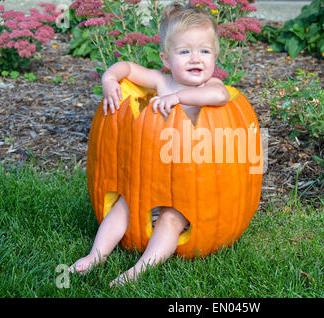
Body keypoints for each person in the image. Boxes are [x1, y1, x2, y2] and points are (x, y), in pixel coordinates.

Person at [69, 2, 230, 287]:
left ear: (215, 56)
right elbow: (128, 67)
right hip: (149, 182)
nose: (196, 58)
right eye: (184, 51)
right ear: (166, 59)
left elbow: (220, 99)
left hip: (189, 192)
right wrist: (109, 78)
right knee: (122, 207)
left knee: (171, 219)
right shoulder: (161, 81)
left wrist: (180, 98)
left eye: (204, 51)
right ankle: (97, 254)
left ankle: (139, 270)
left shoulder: (211, 88)